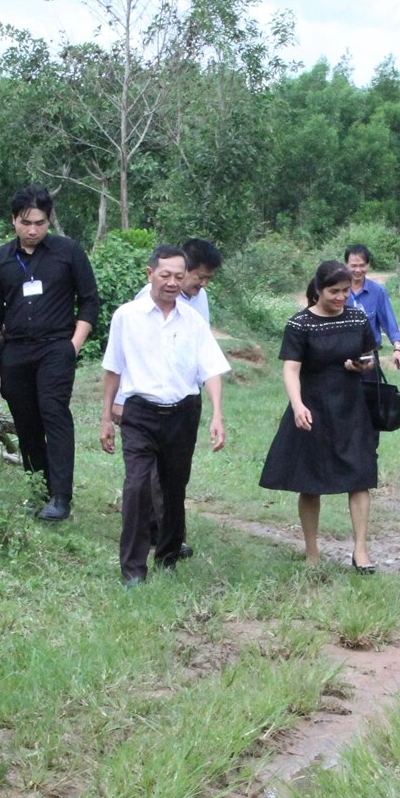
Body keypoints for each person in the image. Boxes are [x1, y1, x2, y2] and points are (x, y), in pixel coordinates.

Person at [99, 245, 229, 585]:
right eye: (165, 275)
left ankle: (168, 556)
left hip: (182, 414)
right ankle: (132, 570)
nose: (172, 282)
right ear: (150, 273)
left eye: (179, 276)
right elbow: (113, 369)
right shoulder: (127, 316)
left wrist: (217, 414)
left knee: (173, 488)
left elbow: (211, 369)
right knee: (137, 487)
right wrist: (105, 417)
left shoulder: (193, 320)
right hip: (140, 413)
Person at [0, 185, 101, 521]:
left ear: (49, 221)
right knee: (27, 422)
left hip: (55, 349)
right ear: (13, 221)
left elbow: (89, 300)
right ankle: (40, 490)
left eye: (41, 223)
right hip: (16, 352)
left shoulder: (67, 252)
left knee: (54, 413)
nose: (33, 230)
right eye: (26, 222)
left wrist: (72, 345)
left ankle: (61, 497)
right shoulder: (0, 260)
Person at [259, 261, 380, 572]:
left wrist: (362, 365)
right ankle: (312, 552)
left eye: (345, 291)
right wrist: (297, 405)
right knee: (310, 481)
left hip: (352, 408)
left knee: (360, 478)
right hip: (312, 407)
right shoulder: (301, 324)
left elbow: (370, 353)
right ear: (318, 290)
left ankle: (361, 551)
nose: (341, 297)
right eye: (333, 292)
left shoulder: (357, 317)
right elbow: (290, 368)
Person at [344, 244, 400, 371]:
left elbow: (388, 322)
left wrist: (398, 348)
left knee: (372, 391)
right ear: (346, 265)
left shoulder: (377, 291)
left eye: (362, 265)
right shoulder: (339, 291)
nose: (358, 270)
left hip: (369, 357)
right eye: (353, 266)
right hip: (343, 357)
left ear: (368, 265)